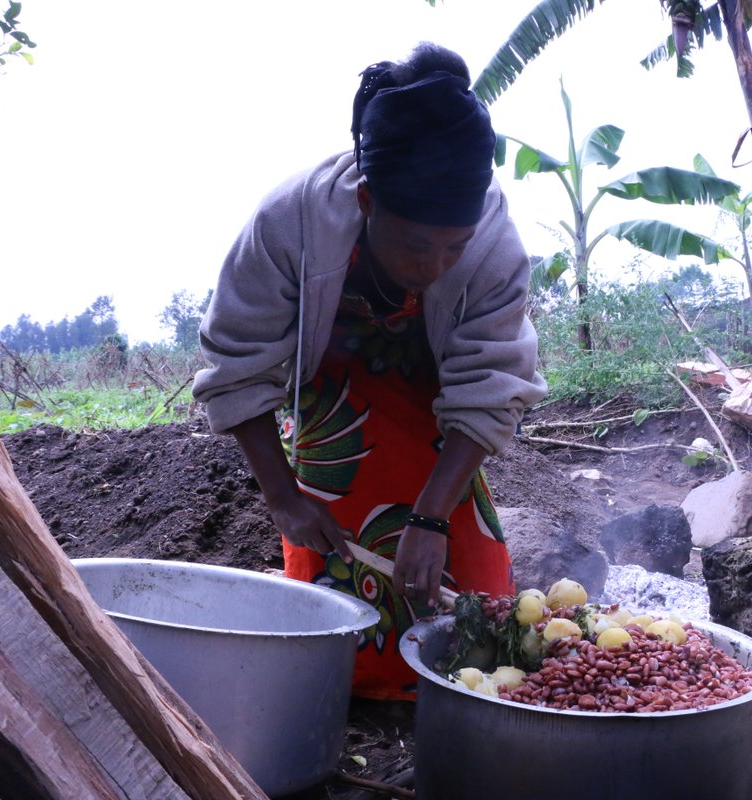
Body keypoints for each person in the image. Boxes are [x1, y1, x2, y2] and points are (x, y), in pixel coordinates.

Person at [192, 43, 547, 700]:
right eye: (416, 244)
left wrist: (433, 517)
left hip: (438, 411)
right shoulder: (286, 222)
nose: (435, 264)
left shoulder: (495, 243)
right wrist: (283, 498)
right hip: (337, 416)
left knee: (480, 617)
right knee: (332, 631)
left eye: (453, 247)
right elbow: (236, 365)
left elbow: (493, 386)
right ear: (365, 202)